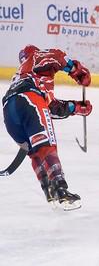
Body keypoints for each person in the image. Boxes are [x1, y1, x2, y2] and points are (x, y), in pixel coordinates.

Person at [2, 45, 92, 211]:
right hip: (29, 100)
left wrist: (76, 108)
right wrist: (77, 71)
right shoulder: (35, 57)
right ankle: (62, 191)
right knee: (46, 146)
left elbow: (50, 109)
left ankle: (49, 192)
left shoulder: (22, 75)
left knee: (35, 152)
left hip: (9, 111)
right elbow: (56, 56)